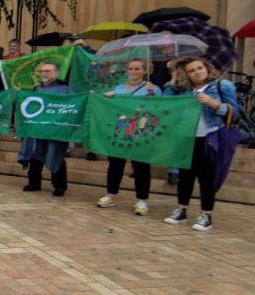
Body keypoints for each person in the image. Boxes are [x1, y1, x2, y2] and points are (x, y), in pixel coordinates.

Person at [164, 57, 239, 231]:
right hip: (188, 138)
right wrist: (173, 79)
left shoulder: (222, 85)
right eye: (192, 70)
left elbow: (234, 111)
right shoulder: (185, 91)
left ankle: (206, 215)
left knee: (207, 178)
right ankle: (181, 210)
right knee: (185, 176)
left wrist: (214, 104)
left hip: (211, 138)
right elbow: (166, 103)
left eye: (200, 68)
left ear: (207, 68)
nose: (197, 72)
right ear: (187, 74)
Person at [96, 58, 158, 215]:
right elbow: (111, 107)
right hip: (120, 131)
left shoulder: (153, 89)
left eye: (137, 69)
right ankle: (110, 195)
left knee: (141, 166)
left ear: (145, 71)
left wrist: (153, 95)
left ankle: (142, 201)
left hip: (141, 132)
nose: (133, 72)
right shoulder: (118, 88)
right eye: (131, 68)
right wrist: (107, 97)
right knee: (115, 164)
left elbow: (158, 108)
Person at [19, 62, 71, 196]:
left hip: (55, 129)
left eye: (47, 71)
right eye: (42, 71)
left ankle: (59, 186)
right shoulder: (37, 89)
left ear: (56, 73)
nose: (44, 74)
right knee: (35, 153)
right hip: (38, 128)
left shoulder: (65, 89)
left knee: (56, 154)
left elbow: (72, 106)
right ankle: (34, 182)